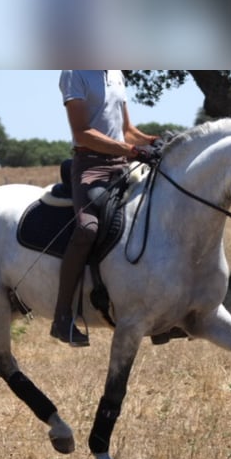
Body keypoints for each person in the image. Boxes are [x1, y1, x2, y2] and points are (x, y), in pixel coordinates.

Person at [52, 70, 162, 347]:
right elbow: (83, 133)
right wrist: (132, 151)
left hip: (122, 166)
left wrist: (152, 141)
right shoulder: (74, 74)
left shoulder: (115, 73)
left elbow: (128, 131)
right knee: (87, 229)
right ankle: (62, 317)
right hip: (91, 166)